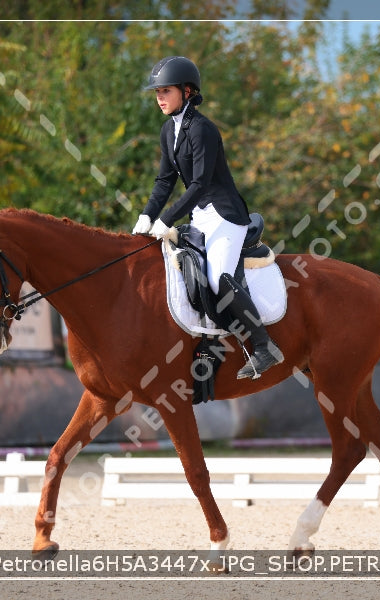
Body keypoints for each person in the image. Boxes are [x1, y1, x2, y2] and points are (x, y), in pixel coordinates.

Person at [132, 56, 283, 380]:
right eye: (157, 91)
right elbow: (164, 181)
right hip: (201, 214)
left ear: (187, 91)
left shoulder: (202, 129)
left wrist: (167, 219)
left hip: (225, 214)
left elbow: (199, 184)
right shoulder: (167, 130)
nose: (159, 97)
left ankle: (263, 345)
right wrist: (146, 217)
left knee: (217, 278)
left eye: (166, 91)